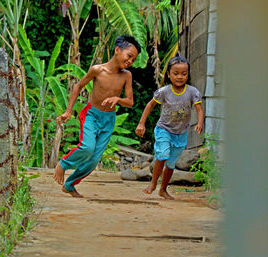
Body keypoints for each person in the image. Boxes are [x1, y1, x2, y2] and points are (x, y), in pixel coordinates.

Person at [53, 35, 142, 197]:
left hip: (108, 120)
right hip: (91, 115)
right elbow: (78, 86)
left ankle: (69, 185)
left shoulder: (126, 76)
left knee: (93, 160)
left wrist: (118, 99)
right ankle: (63, 164)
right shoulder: (97, 70)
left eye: (133, 60)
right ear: (117, 50)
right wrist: (68, 110)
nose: (130, 61)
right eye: (129, 56)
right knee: (87, 147)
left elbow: (129, 102)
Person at [135, 56, 204, 200]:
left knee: (171, 163)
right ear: (169, 74)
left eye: (184, 74)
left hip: (180, 133)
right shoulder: (164, 91)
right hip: (164, 129)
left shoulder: (192, 92)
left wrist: (199, 123)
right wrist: (141, 123)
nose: (180, 77)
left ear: (188, 74)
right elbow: (150, 105)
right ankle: (153, 184)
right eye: (176, 73)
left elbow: (199, 109)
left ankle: (163, 190)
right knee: (163, 155)